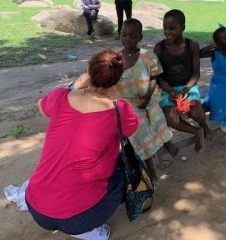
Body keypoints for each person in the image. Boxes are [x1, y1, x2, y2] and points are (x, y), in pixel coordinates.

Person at [25, 49, 140, 240]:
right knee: (124, 172)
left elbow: (41, 106)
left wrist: (76, 85)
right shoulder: (119, 109)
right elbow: (130, 130)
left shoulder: (61, 96)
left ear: (89, 72)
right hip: (77, 219)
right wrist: (113, 94)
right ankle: (89, 231)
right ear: (118, 79)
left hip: (35, 206)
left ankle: (80, 223)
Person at [117, 18, 178, 183]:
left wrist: (147, 97)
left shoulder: (147, 56)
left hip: (149, 96)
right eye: (124, 35)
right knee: (140, 129)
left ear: (140, 38)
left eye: (132, 36)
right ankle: (150, 164)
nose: (128, 39)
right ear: (119, 35)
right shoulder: (116, 59)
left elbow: (154, 78)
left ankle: (166, 141)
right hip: (128, 101)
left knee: (157, 117)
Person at [154, 9, 212, 153]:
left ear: (183, 28)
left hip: (188, 86)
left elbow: (196, 73)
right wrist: (169, 90)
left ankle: (204, 125)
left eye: (172, 28)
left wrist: (187, 88)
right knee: (171, 119)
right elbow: (158, 76)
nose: (168, 32)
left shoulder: (192, 45)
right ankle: (196, 131)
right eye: (165, 28)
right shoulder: (159, 48)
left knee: (198, 114)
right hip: (168, 89)